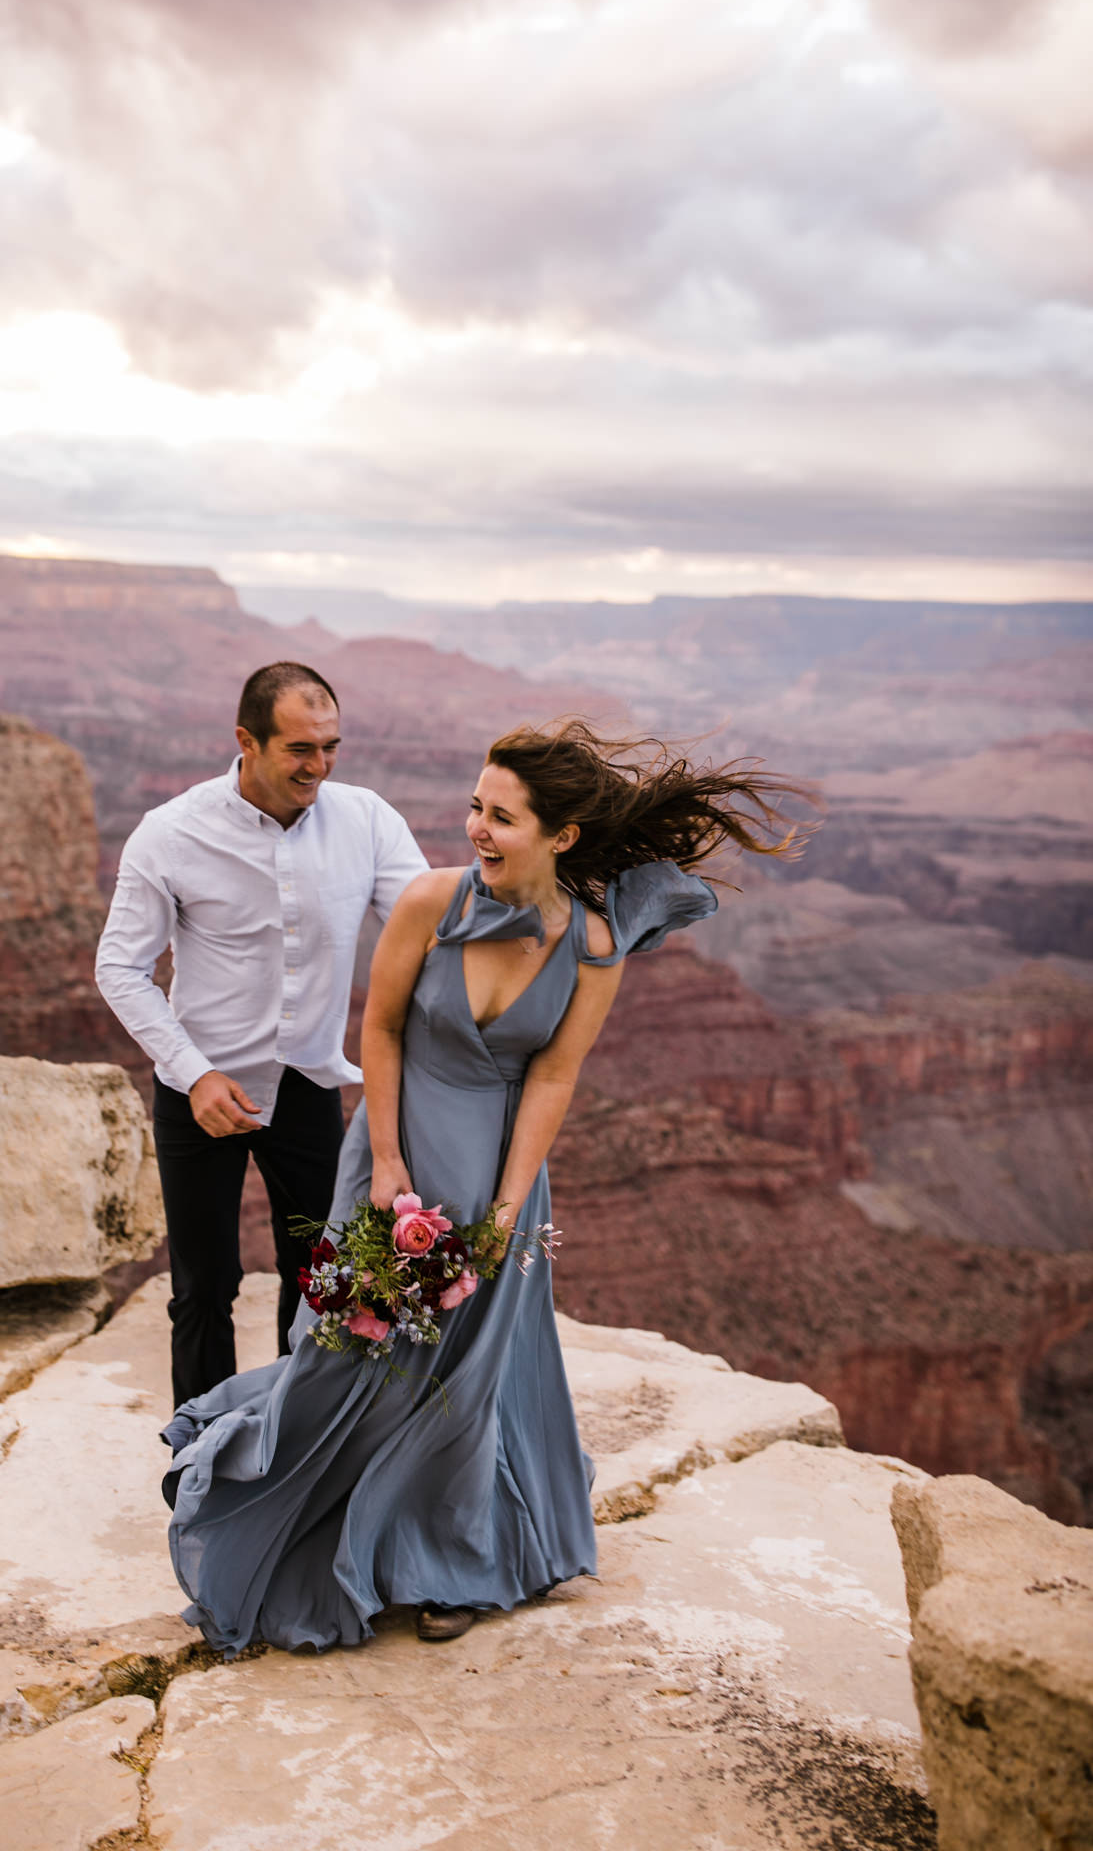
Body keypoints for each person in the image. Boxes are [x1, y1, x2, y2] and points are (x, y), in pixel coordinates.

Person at [162, 719, 807, 1651]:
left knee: (469, 1379)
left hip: (501, 1181)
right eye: (474, 806)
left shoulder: (592, 945)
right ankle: (270, 1495)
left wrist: (506, 1211)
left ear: (561, 837)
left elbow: (552, 1075)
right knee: (351, 1355)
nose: (476, 828)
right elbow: (377, 1031)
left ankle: (448, 1564)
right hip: (395, 1167)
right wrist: (384, 1165)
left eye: (500, 817)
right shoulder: (430, 904)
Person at [95, 661, 428, 1406]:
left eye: (331, 746)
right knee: (202, 1290)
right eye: (300, 749)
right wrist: (194, 1071)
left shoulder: (366, 821)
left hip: (308, 1085)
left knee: (317, 1285)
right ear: (246, 740)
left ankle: (285, 1454)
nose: (319, 766)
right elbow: (118, 967)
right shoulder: (171, 833)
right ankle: (198, 1469)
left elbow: (431, 926)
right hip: (199, 1090)